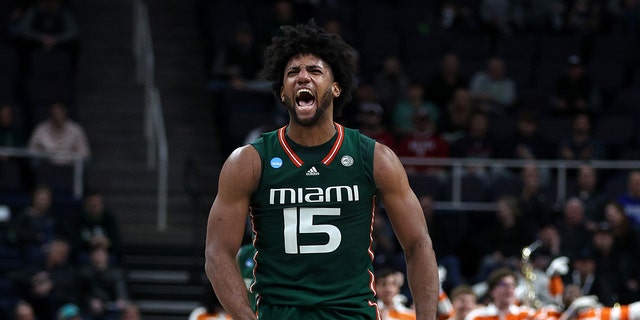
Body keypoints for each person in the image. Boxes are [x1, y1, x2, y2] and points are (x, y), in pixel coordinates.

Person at [204, 19, 439, 320]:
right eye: (292, 73)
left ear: (336, 88)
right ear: (282, 93)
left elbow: (418, 243)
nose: (303, 77)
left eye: (314, 71)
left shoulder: (375, 157)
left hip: (352, 313)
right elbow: (217, 252)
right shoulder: (249, 161)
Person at [78, 244, 129, 320]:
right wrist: (90, 301)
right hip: (89, 308)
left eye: (101, 254)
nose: (98, 257)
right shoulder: (84, 273)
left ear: (107, 256)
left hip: (111, 308)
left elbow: (121, 290)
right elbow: (81, 294)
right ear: (91, 256)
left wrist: (121, 299)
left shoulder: (116, 273)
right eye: (96, 254)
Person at [73, 191, 122, 260]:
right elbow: (74, 243)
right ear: (85, 206)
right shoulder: (78, 219)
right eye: (91, 205)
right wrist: (89, 243)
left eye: (96, 205)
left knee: (101, 256)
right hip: (85, 251)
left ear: (102, 206)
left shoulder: (109, 219)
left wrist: (107, 243)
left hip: (105, 252)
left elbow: (116, 242)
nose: (94, 209)